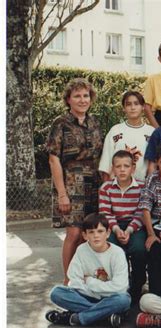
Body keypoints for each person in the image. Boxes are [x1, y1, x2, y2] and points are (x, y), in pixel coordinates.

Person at [46, 78, 103, 284]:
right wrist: (62, 193)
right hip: (71, 183)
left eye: (86, 95)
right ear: (68, 99)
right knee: (74, 232)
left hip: (94, 184)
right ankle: (68, 280)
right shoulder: (60, 123)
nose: (82, 100)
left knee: (87, 233)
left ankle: (81, 275)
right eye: (77, 96)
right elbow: (53, 159)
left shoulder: (95, 122)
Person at [46, 213, 131, 328]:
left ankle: (78, 318)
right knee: (56, 293)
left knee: (123, 300)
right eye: (91, 232)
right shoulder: (81, 250)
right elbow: (74, 280)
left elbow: (120, 287)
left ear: (108, 233)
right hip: (86, 296)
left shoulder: (117, 253)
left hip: (110, 298)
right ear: (85, 235)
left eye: (100, 231)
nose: (96, 236)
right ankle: (104, 316)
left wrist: (90, 281)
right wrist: (94, 293)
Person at [98, 150, 147, 304]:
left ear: (133, 168)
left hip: (136, 226)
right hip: (114, 225)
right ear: (113, 168)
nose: (122, 169)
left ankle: (137, 284)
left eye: (126, 166)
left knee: (139, 249)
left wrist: (129, 230)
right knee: (112, 248)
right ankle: (119, 285)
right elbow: (105, 213)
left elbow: (141, 213)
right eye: (118, 166)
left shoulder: (142, 186)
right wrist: (117, 230)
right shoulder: (106, 188)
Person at [99, 91, 155, 182]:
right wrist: (106, 186)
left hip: (142, 185)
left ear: (143, 107)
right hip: (116, 186)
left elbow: (153, 164)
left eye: (136, 104)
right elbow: (106, 161)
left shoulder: (151, 132)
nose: (133, 107)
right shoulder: (115, 130)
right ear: (124, 108)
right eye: (128, 104)